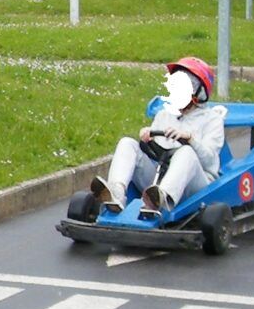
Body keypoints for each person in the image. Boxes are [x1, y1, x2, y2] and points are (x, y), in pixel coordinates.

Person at [83, 56, 223, 220]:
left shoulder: (213, 119)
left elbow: (210, 161)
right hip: (158, 180)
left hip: (196, 186)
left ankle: (161, 199)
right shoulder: (165, 114)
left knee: (186, 152)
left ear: (200, 91)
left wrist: (190, 140)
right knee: (127, 142)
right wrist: (147, 138)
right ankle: (117, 193)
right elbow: (154, 152)